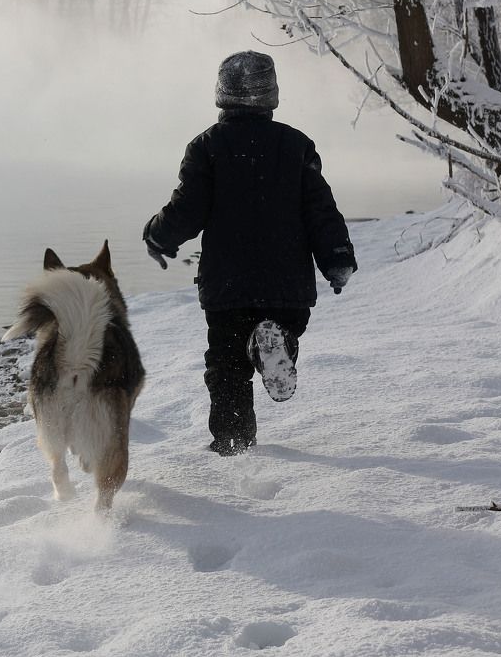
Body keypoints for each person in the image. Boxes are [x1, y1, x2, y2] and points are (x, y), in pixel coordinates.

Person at [143, 51, 357, 456]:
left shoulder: (207, 147)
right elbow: (321, 212)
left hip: (229, 285)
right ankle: (278, 344)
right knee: (283, 327)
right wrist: (338, 259)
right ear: (272, 95)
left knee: (227, 367)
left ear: (222, 95)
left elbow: (186, 210)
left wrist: (158, 236)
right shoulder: (296, 146)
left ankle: (232, 441)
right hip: (286, 285)